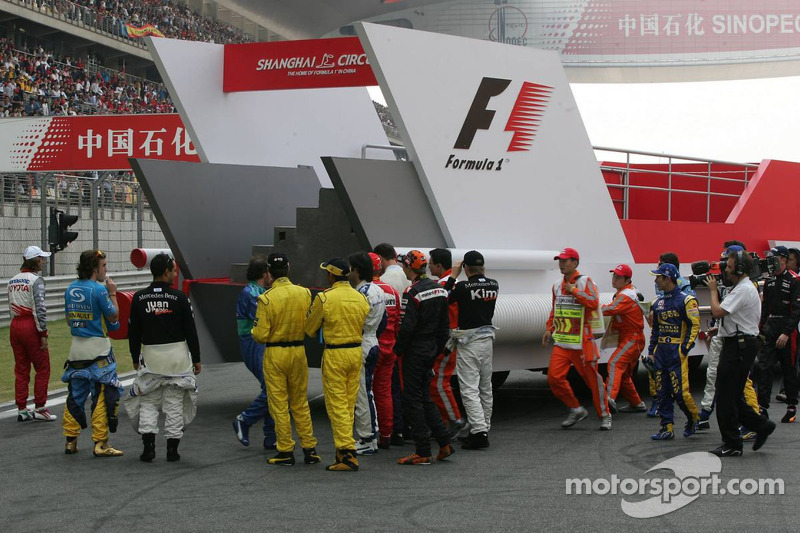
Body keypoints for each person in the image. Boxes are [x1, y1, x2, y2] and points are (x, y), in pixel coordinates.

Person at [128, 253, 201, 462]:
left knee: (149, 402)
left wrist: (135, 357)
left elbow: (133, 332)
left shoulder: (139, 298)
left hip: (151, 357)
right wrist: (196, 358)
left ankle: (148, 447)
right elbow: (191, 331)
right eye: (173, 270)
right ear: (166, 272)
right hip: (177, 358)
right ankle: (172, 449)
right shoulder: (179, 298)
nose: (175, 273)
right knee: (174, 404)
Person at [251, 253, 320, 467]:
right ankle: (310, 449)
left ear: (269, 273)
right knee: (300, 402)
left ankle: (285, 450)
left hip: (275, 353)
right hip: (298, 352)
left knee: (279, 403)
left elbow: (260, 335)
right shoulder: (304, 293)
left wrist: (253, 330)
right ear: (288, 269)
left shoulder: (266, 298)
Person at [707, 250, 776, 456]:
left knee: (725, 396)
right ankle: (762, 426)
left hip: (739, 346)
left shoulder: (743, 289)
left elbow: (718, 311)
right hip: (740, 342)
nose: (725, 271)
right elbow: (736, 317)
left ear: (739, 269)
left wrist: (712, 290)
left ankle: (732, 444)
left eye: (728, 267)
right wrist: (719, 329)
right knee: (735, 395)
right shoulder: (742, 287)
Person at [306, 258, 369, 471]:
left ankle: (346, 453)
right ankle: (345, 448)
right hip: (356, 352)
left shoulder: (325, 298)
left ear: (331, 276)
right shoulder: (360, 297)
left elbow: (310, 328)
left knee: (336, 404)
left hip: (335, 353)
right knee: (349, 403)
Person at [395, 250, 455, 465]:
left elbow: (406, 327)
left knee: (412, 399)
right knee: (424, 396)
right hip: (431, 349)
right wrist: (436, 349)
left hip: (414, 350)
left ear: (408, 267)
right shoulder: (439, 289)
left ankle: (422, 450)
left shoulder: (411, 292)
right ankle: (444, 442)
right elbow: (444, 326)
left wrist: (398, 349)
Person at [62, 250, 124, 457]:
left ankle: (70, 441)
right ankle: (101, 443)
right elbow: (114, 315)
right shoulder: (99, 290)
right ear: (94, 268)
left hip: (76, 349)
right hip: (97, 350)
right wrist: (113, 293)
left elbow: (70, 320)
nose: (106, 270)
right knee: (102, 395)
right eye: (104, 266)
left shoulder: (70, 288)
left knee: (76, 394)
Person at [543, 247, 611, 430]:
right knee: (554, 378)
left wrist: (574, 291)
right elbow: (555, 309)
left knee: (593, 381)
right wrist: (549, 328)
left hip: (582, 341)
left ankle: (605, 414)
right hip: (563, 340)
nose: (561, 264)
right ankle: (576, 409)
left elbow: (593, 303)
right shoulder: (556, 285)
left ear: (575, 263)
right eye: (560, 261)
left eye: (565, 260)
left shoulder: (585, 281)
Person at [443, 250, 498, 449]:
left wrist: (452, 276)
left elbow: (443, 298)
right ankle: (483, 427)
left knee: (468, 389)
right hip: (487, 339)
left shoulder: (463, 286)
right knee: (485, 387)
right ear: (482, 266)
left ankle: (479, 433)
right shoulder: (494, 284)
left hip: (470, 341)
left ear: (465, 268)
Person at [647, 262, 701, 440]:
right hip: (661, 352)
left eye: (658, 277)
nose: (656, 280)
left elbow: (694, 326)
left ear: (668, 279)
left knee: (681, 393)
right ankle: (666, 428)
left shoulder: (687, 300)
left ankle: (693, 417)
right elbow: (655, 330)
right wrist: (651, 351)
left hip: (676, 353)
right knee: (662, 392)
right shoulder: (657, 303)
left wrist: (685, 348)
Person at [232, 256, 276, 451]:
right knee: (273, 388)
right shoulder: (250, 293)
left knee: (271, 388)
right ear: (264, 274)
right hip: (253, 343)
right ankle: (245, 420)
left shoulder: (259, 291)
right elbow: (266, 317)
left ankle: (271, 436)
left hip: (259, 342)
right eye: (269, 273)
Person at [8, 245, 56, 421]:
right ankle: (40, 407)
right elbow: (40, 308)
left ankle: (21, 409)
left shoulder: (12, 280)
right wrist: (43, 333)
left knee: (21, 369)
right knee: (43, 367)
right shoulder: (36, 280)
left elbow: (10, 308)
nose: (43, 261)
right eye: (41, 258)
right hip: (30, 325)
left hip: (15, 325)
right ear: (35, 260)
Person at [756, 245, 800, 423]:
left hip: (787, 330)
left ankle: (791, 407)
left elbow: (797, 310)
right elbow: (765, 308)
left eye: (773, 258)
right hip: (771, 328)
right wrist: (761, 330)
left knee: (788, 369)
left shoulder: (795, 280)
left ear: (782, 259)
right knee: (764, 367)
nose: (770, 261)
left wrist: (786, 333)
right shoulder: (769, 281)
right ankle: (762, 408)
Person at [349, 252, 387, 456]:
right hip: (373, 341)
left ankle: (366, 438)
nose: (348, 271)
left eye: (350, 268)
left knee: (362, 394)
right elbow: (385, 321)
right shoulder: (378, 290)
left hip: (362, 343)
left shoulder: (360, 293)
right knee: (367, 391)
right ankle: (371, 436)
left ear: (357, 269)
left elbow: (356, 321)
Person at [374, 242, 411, 445]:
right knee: (403, 387)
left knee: (384, 388)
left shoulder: (383, 282)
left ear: (379, 258)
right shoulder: (407, 275)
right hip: (404, 337)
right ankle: (402, 428)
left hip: (384, 341)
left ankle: (390, 429)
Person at [428, 248, 464, 433]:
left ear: (439, 265)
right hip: (449, 337)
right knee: (437, 380)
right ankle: (444, 423)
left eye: (431, 262)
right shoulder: (451, 282)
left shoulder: (445, 284)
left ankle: (455, 419)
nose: (428, 265)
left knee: (438, 381)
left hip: (446, 339)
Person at [602, 264, 646, 413]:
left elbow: (610, 309)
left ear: (627, 280)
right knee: (625, 374)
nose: (614, 279)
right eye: (614, 276)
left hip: (632, 338)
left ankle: (609, 399)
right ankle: (636, 403)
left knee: (614, 364)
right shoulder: (629, 292)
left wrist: (591, 306)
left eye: (619, 277)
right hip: (632, 338)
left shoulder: (625, 295)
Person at [368, 252, 402, 450]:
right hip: (390, 347)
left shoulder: (364, 291)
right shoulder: (391, 291)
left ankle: (370, 434)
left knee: (367, 393)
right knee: (384, 392)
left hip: (372, 347)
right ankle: (387, 434)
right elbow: (397, 321)